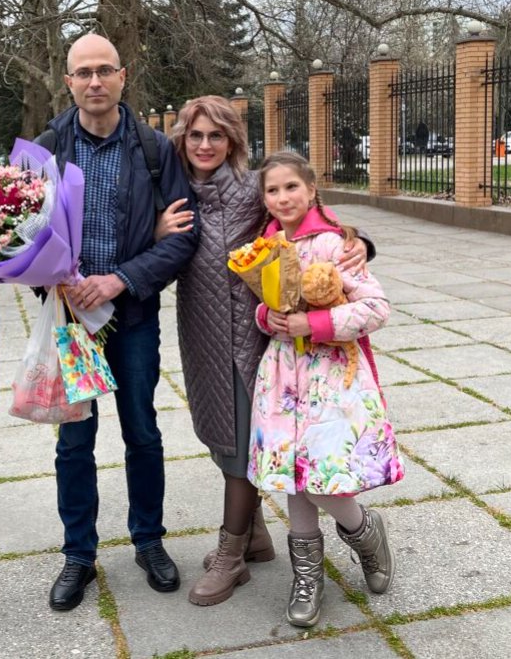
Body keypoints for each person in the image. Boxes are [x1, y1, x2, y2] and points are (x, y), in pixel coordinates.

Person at [155, 97, 371, 607]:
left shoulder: (255, 189)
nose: (205, 145)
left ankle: (231, 556)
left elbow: (314, 217)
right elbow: (151, 251)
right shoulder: (174, 194)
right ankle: (254, 536)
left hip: (258, 340)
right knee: (220, 435)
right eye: (195, 135)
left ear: (232, 141)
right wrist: (156, 231)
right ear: (182, 140)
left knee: (239, 444)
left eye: (216, 135)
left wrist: (359, 241)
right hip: (202, 332)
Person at [35, 34, 198, 611]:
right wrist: (48, 279)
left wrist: (120, 279)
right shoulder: (44, 151)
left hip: (131, 317)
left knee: (142, 432)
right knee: (74, 441)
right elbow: (15, 236)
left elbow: (183, 238)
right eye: (84, 72)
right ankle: (78, 554)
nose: (95, 81)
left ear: (123, 76)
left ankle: (148, 540)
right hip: (71, 322)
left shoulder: (154, 149)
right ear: (68, 82)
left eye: (105, 70)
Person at [249, 150, 402, 628]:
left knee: (323, 473)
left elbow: (376, 308)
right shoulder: (265, 246)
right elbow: (262, 304)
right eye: (273, 190)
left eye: (292, 187)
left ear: (312, 190)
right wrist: (267, 317)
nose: (283, 197)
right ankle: (308, 577)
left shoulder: (336, 245)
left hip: (331, 379)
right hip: (281, 377)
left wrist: (313, 323)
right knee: (295, 475)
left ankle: (364, 531)